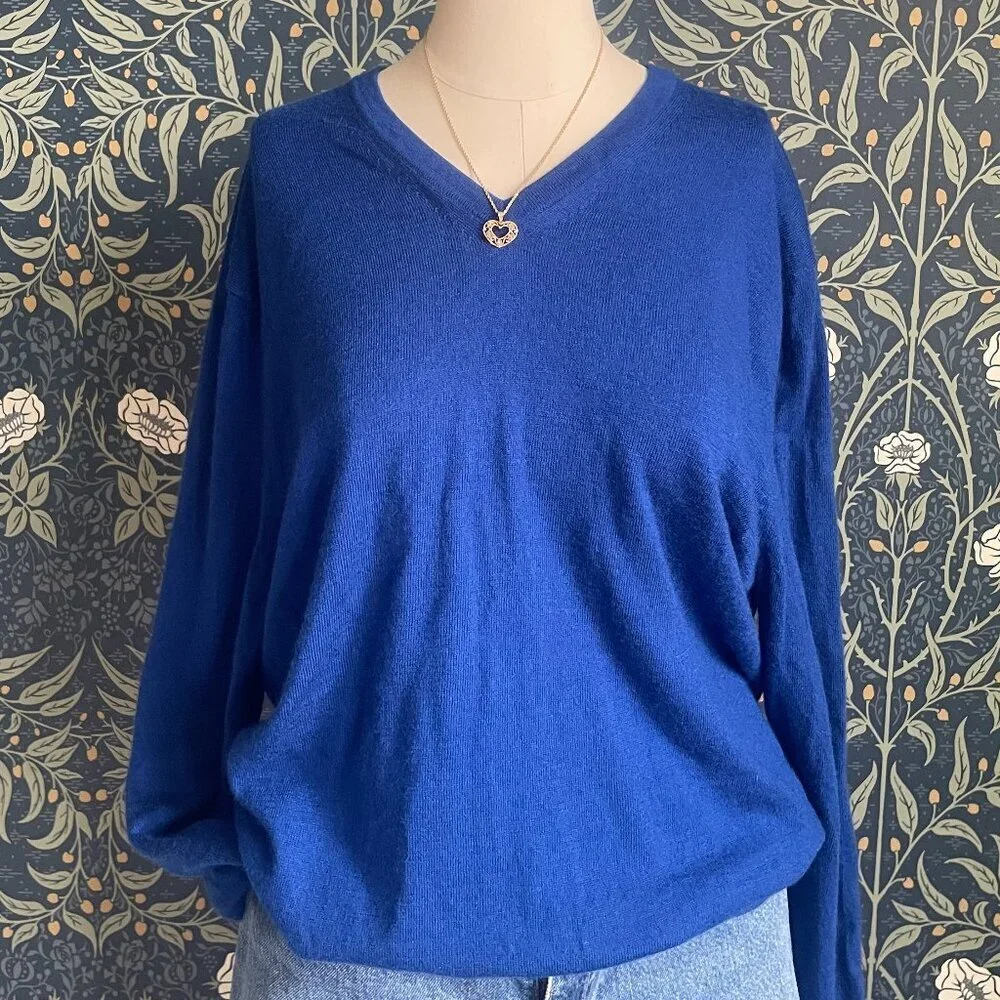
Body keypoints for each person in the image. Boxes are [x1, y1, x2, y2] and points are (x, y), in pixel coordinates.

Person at [123, 5, 865, 999]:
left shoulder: (731, 175)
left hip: (700, 938)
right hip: (358, 938)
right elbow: (227, 529)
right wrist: (201, 822)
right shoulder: (298, 172)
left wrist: (824, 933)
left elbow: (796, 567)